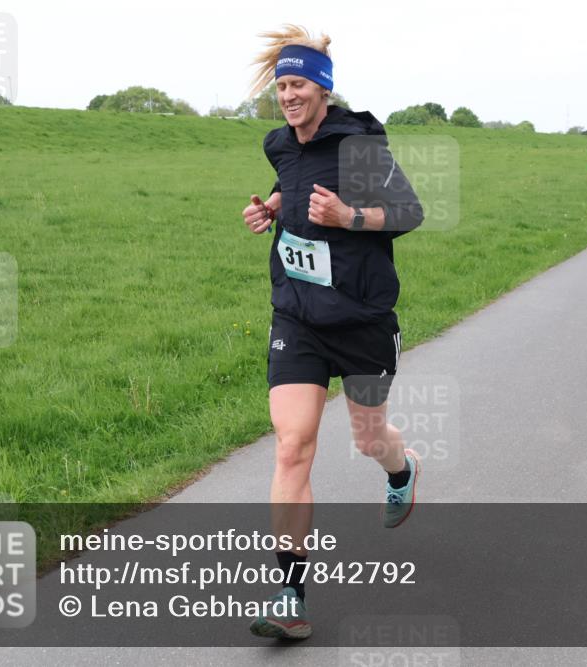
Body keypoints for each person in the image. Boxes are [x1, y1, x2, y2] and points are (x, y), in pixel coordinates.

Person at [241, 24, 424, 640]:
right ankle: (289, 589)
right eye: (281, 85)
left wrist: (349, 217)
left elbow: (410, 212)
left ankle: (400, 471)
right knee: (293, 444)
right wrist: (270, 208)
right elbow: (293, 186)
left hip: (363, 317)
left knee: (369, 437)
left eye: (297, 84)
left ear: (322, 88)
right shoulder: (281, 146)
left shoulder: (359, 145)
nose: (287, 95)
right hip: (297, 315)